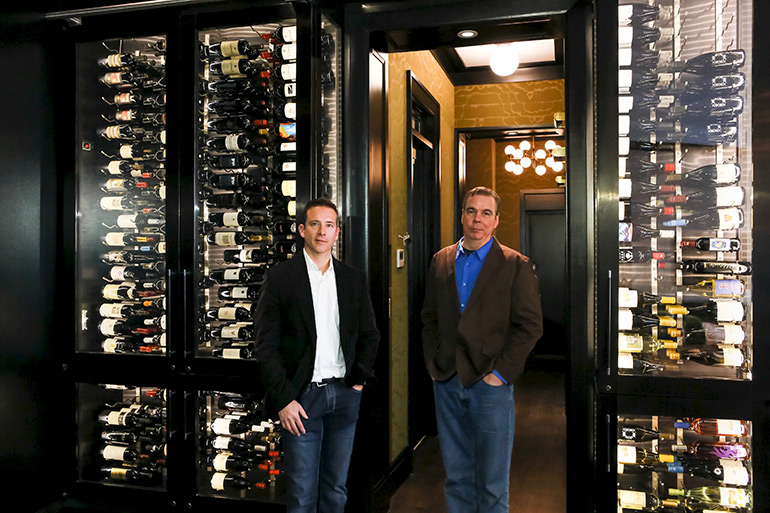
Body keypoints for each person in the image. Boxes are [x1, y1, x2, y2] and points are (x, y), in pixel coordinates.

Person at [253, 197, 380, 513]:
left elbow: (370, 334)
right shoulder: (281, 278)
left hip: (345, 394)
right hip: (301, 400)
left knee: (336, 490)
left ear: (337, 232)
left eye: (329, 225)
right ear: (301, 230)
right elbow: (265, 345)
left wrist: (359, 382)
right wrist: (283, 399)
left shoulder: (353, 278)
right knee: (301, 495)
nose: (322, 232)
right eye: (315, 224)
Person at [421, 186, 543, 513]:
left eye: (486, 213)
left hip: (490, 385)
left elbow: (530, 326)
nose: (478, 219)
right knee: (457, 478)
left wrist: (500, 374)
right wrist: (434, 365)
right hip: (447, 381)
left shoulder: (515, 265)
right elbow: (429, 318)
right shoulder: (441, 260)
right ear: (462, 215)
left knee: (492, 485)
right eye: (472, 211)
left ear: (497, 220)